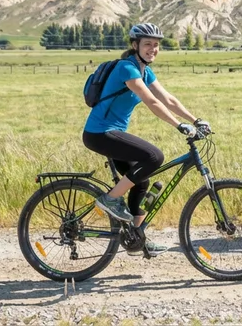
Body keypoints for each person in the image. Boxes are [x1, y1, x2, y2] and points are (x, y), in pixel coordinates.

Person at [86, 23, 210, 256]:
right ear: (135, 46)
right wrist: (178, 125)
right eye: (147, 44)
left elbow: (168, 99)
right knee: (154, 157)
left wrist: (196, 120)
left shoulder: (145, 70)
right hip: (100, 133)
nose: (153, 48)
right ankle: (110, 199)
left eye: (156, 45)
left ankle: (136, 239)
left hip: (112, 133)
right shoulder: (126, 68)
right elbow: (151, 101)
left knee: (141, 180)